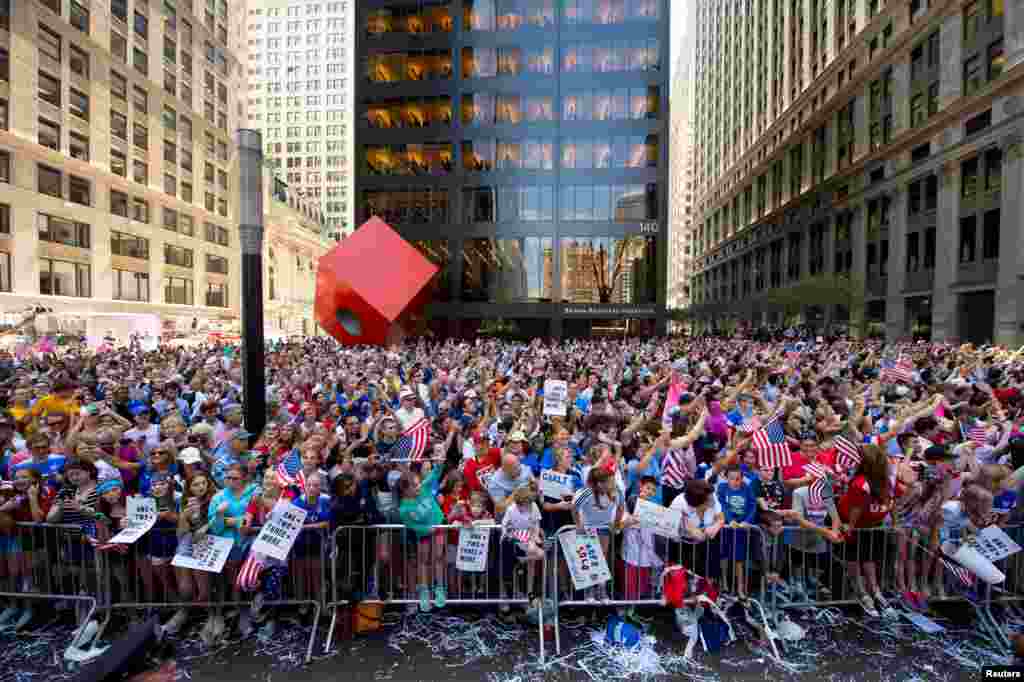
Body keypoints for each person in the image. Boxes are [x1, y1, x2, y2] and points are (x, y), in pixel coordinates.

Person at [397, 462, 446, 613]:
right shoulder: (404, 508)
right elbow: (411, 525)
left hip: (438, 525)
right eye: (414, 486)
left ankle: (439, 588)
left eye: (418, 484)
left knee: (438, 557)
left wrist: (438, 465)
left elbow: (434, 475)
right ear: (405, 490)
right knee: (423, 561)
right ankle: (424, 591)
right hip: (424, 533)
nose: (418, 487)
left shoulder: (424, 488)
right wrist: (426, 529)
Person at [717, 465, 758, 600]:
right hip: (728, 527)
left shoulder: (747, 488)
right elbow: (722, 505)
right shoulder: (722, 488)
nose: (735, 481)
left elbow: (752, 505)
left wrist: (747, 521)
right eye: (732, 478)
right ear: (726, 478)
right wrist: (730, 520)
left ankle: (740, 587)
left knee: (739, 558)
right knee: (723, 555)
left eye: (738, 478)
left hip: (741, 528)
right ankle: (723, 582)